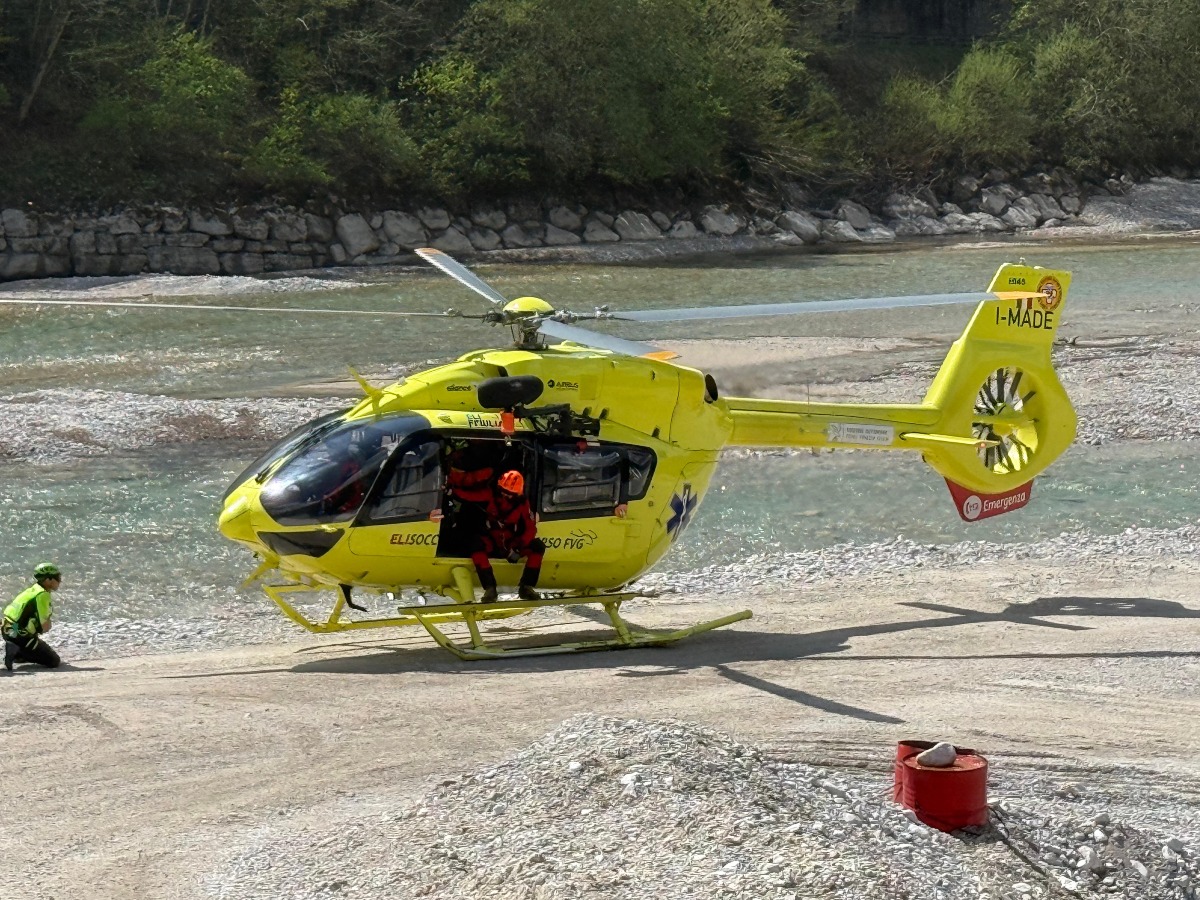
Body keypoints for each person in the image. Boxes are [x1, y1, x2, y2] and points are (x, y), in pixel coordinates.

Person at [471, 470, 545, 602]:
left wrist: (517, 549)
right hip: (493, 543)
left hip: (513, 545)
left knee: (538, 546)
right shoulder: (490, 496)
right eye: (503, 490)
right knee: (476, 545)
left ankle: (526, 587)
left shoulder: (523, 505)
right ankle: (490, 588)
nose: (505, 494)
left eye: (509, 493)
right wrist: (451, 491)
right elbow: (471, 496)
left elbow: (530, 529)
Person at [4, 562, 63, 671]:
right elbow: (44, 625)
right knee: (54, 661)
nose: (60, 581)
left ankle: (17, 652)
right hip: (20, 635)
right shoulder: (42, 595)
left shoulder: (33, 589)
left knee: (31, 646)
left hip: (8, 630)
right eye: (57, 578)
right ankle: (17, 647)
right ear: (48, 580)